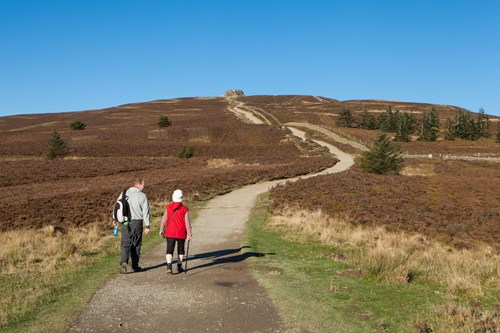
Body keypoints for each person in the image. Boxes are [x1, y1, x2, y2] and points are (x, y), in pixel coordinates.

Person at [113, 177, 150, 273]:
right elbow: (146, 212)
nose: (144, 186)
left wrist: (115, 219)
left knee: (125, 242)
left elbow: (117, 206)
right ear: (138, 185)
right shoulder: (143, 196)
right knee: (136, 244)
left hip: (125, 222)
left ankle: (124, 262)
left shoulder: (124, 193)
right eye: (143, 185)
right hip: (137, 222)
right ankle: (134, 265)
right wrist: (147, 225)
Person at [159, 189, 192, 274]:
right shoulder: (185, 209)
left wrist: (161, 229)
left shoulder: (168, 207)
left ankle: (169, 266)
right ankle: (179, 266)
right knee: (181, 250)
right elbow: (187, 222)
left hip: (170, 232)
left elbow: (164, 219)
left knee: (169, 249)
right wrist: (189, 234)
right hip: (181, 232)